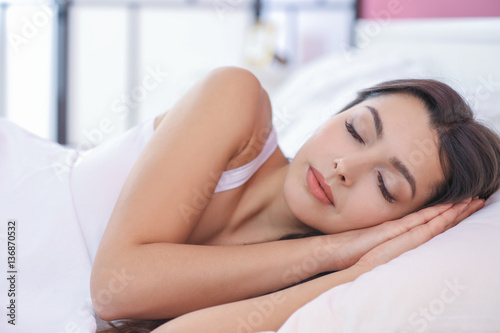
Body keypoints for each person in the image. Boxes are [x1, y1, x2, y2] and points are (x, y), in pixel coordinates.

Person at [86, 66, 500, 333]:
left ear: (403, 224)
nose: (343, 167)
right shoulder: (237, 98)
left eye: (385, 185)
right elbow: (114, 290)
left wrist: (352, 270)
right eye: (356, 131)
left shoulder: (311, 300)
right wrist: (335, 250)